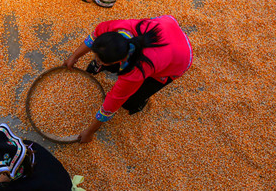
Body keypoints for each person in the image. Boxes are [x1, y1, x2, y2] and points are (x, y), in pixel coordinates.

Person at [64, 16, 192, 143]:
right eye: (96, 56)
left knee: (129, 103)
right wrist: (74, 56)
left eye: (99, 59)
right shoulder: (111, 29)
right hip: (165, 26)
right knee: (108, 58)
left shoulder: (137, 70)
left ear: (119, 60)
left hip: (180, 57)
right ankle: (106, 64)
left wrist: (90, 131)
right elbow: (93, 37)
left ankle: (141, 99)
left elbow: (113, 101)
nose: (96, 59)